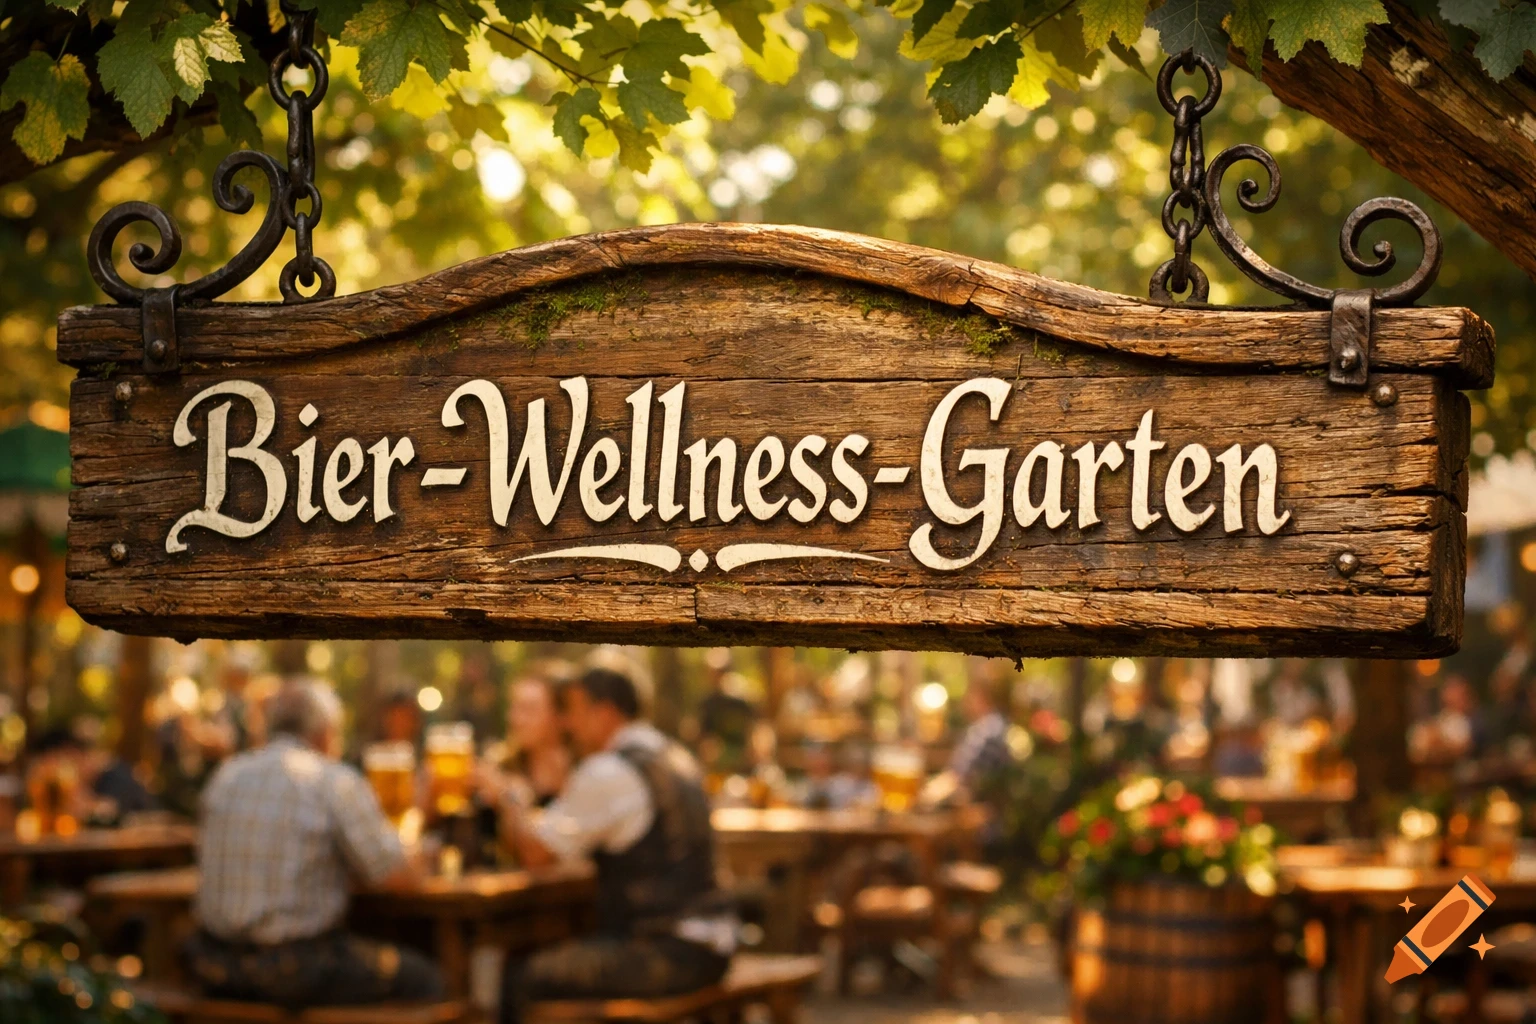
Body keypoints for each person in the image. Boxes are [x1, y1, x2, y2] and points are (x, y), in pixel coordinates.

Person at [496, 665, 733, 1024]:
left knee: (522, 977)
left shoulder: (609, 770)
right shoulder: (673, 754)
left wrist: (508, 799)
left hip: (665, 951)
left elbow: (537, 853)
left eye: (574, 712)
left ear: (605, 713)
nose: (567, 724)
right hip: (712, 944)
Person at [185, 679, 443, 1008]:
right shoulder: (331, 780)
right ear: (324, 733)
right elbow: (398, 875)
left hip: (214, 965)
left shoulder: (226, 777)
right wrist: (421, 819)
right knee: (426, 979)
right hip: (292, 971)